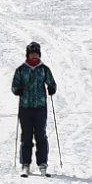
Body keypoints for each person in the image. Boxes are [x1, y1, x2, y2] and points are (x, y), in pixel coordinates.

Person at [12, 42, 57, 176]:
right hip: (25, 108)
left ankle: (42, 163)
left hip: (40, 108)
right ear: (28, 55)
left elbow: (51, 82)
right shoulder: (21, 70)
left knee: (41, 136)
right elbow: (14, 85)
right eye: (32, 53)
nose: (34, 56)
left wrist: (52, 88)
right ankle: (25, 164)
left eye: (36, 53)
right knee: (26, 137)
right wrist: (17, 90)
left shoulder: (44, 69)